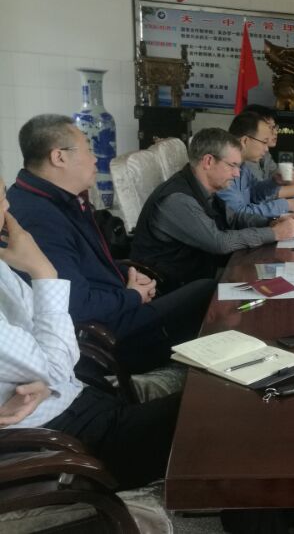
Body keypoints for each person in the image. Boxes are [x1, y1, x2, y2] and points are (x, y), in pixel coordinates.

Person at [0, 183, 179, 490]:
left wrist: (48, 377)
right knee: (223, 413)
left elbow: (53, 350)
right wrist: (44, 272)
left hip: (77, 396)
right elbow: (55, 363)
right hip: (55, 447)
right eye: (1, 199)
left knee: (230, 397)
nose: (7, 208)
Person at [7, 114, 214, 374]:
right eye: (88, 149)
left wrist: (128, 276)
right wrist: (132, 296)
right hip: (107, 337)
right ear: (59, 157)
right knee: (209, 292)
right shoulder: (39, 218)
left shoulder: (59, 198)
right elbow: (75, 306)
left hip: (117, 302)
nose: (95, 159)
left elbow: (86, 261)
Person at [130, 127, 294, 290]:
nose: (237, 174)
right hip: (171, 288)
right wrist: (275, 233)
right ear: (208, 161)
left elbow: (234, 218)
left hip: (200, 273)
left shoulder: (205, 188)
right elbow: (219, 242)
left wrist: (271, 222)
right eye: (232, 165)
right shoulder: (177, 199)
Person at [219, 112, 294, 217]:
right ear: (245, 141)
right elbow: (238, 215)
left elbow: (255, 194)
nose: (266, 149)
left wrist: (274, 182)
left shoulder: (243, 167)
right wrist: (284, 205)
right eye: (264, 141)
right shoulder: (224, 169)